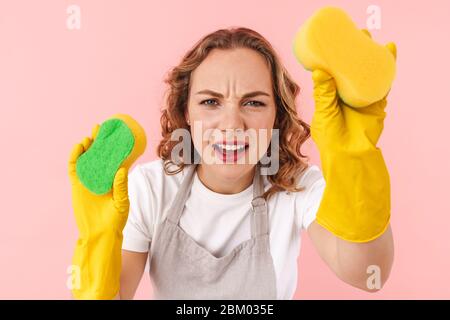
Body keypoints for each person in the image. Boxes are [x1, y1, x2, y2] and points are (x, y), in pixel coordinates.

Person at [69, 27, 394, 300]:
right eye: (210, 102)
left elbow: (367, 274)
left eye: (253, 103)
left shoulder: (297, 186)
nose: (232, 124)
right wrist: (97, 238)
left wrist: (354, 158)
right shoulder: (151, 187)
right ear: (186, 112)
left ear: (276, 117)